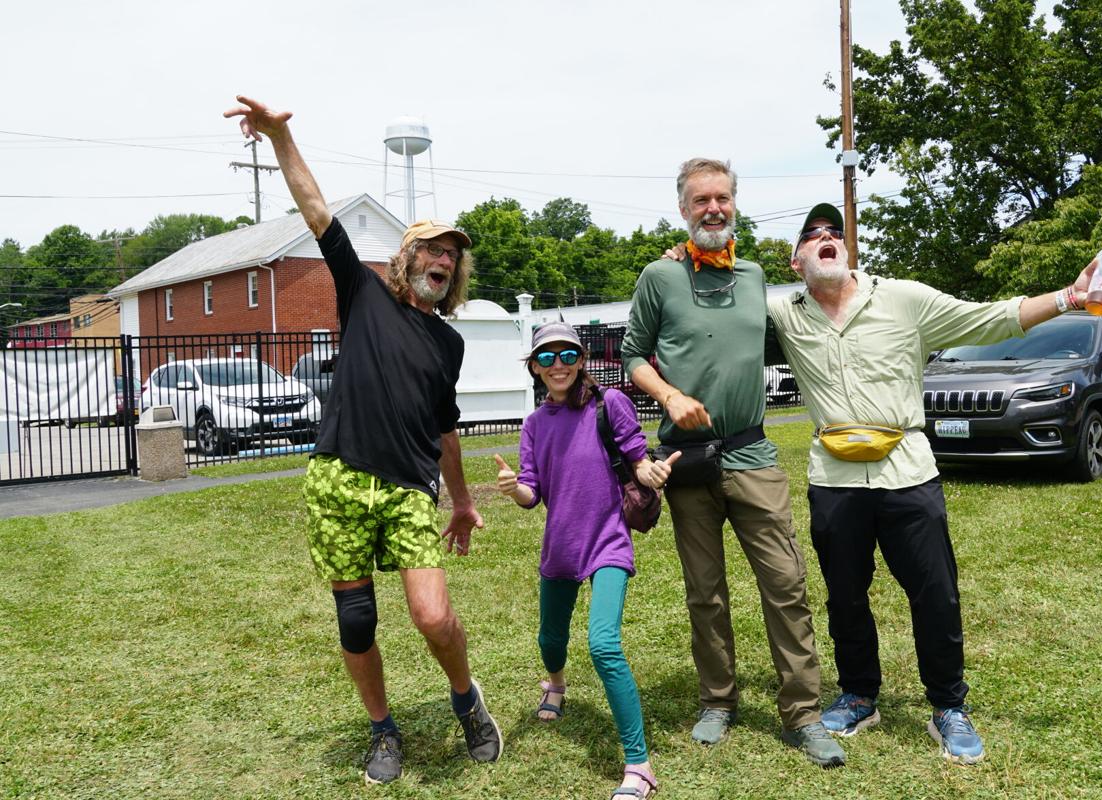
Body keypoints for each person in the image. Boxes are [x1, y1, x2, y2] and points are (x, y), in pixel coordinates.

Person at [223, 96, 501, 784]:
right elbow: (315, 205)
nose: (443, 260)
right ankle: (383, 732)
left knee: (433, 617)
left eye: (452, 255)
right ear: (407, 257)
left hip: (408, 491)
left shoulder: (449, 342)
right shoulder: (363, 292)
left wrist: (461, 501)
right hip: (340, 481)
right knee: (357, 622)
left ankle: (467, 700)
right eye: (433, 249)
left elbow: (445, 428)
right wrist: (282, 138)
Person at [768, 201, 1102, 765]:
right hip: (834, 478)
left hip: (908, 470)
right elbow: (717, 315)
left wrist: (1071, 297)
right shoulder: (786, 315)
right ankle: (858, 695)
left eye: (835, 232)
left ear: (847, 251)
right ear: (797, 260)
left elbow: (990, 317)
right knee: (845, 595)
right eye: (813, 235)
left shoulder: (903, 298)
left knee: (935, 593)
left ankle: (949, 705)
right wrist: (688, 260)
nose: (826, 237)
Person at [620, 158, 846, 768]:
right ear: (684, 210)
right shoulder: (658, 277)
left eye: (722, 198)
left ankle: (802, 712)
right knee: (705, 593)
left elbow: (821, 293)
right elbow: (632, 354)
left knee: (786, 583)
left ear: (735, 204)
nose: (713, 209)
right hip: (687, 464)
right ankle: (717, 700)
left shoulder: (753, 276)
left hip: (752, 453)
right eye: (701, 201)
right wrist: (669, 396)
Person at [495, 321, 676, 800]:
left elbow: (637, 459)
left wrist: (651, 471)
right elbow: (532, 493)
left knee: (603, 644)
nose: (559, 365)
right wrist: (515, 488)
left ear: (582, 360)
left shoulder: (608, 404)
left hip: (608, 542)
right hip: (560, 546)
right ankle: (555, 683)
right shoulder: (534, 424)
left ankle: (639, 765)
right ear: (535, 367)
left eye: (568, 355)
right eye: (548, 357)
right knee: (550, 639)